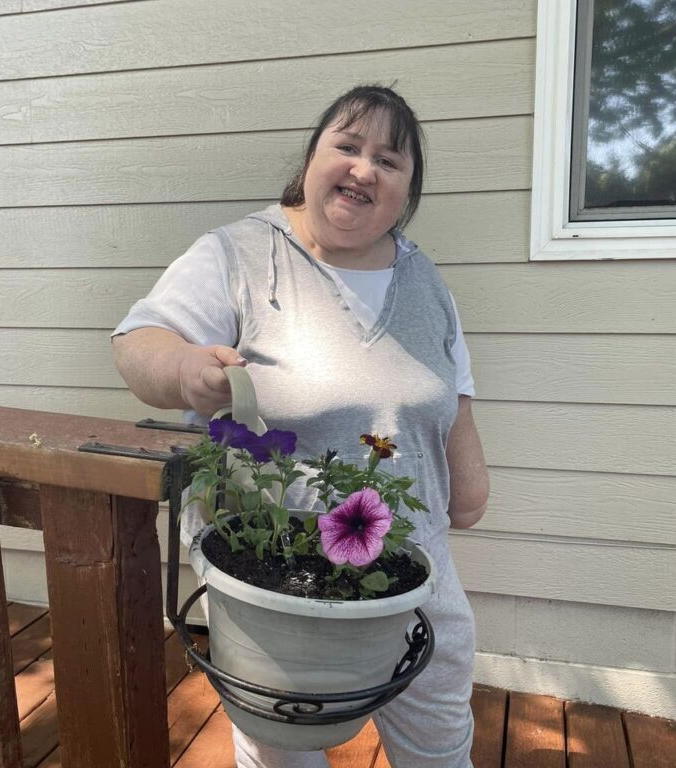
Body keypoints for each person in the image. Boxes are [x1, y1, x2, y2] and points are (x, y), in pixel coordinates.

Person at [112, 84, 489, 768]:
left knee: (438, 738)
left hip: (414, 564)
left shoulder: (424, 278)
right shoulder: (240, 255)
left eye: (389, 160)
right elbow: (139, 342)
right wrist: (182, 367)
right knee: (283, 748)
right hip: (275, 570)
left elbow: (452, 389)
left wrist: (470, 485)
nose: (364, 168)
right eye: (346, 146)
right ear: (311, 158)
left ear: (407, 190)